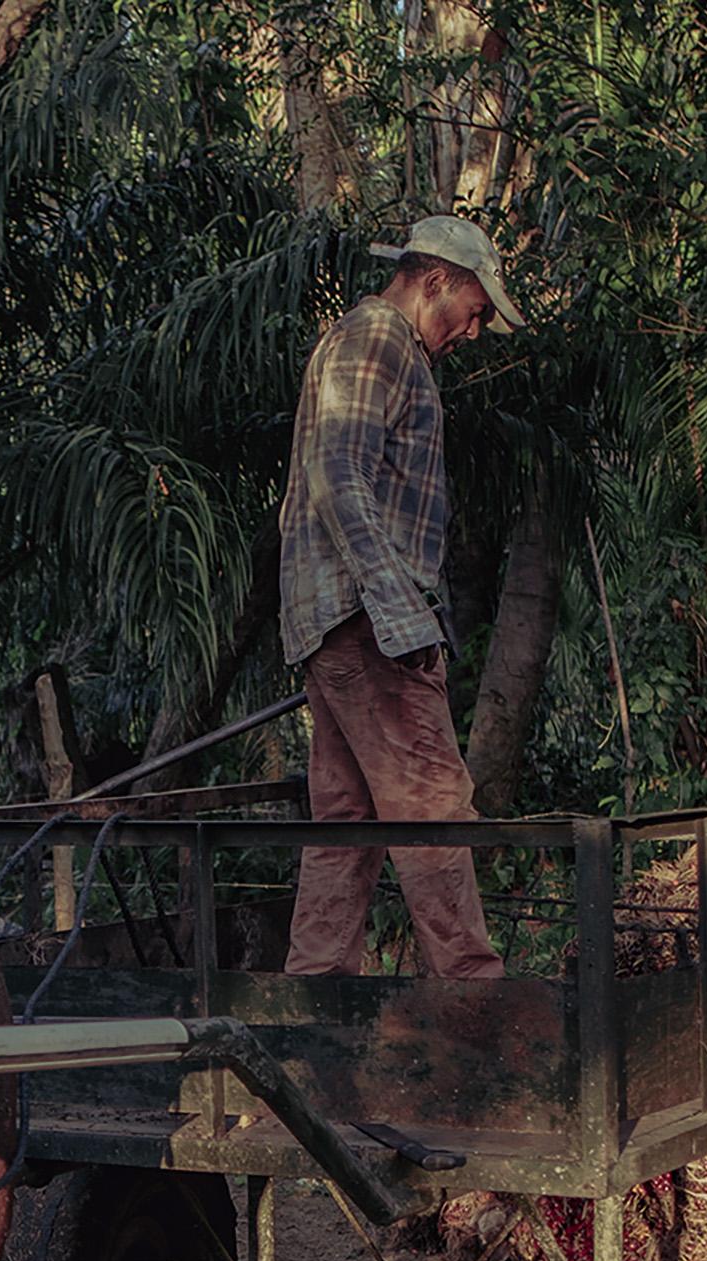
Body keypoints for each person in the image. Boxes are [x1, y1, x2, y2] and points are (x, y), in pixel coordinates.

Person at [279, 215, 521, 981]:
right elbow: (337, 474)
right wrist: (398, 610)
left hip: (340, 626)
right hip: (368, 626)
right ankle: (481, 1013)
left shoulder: (372, 344)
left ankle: (309, 1026)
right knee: (433, 805)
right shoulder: (379, 337)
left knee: (347, 823)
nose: (475, 332)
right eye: (477, 310)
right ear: (436, 281)